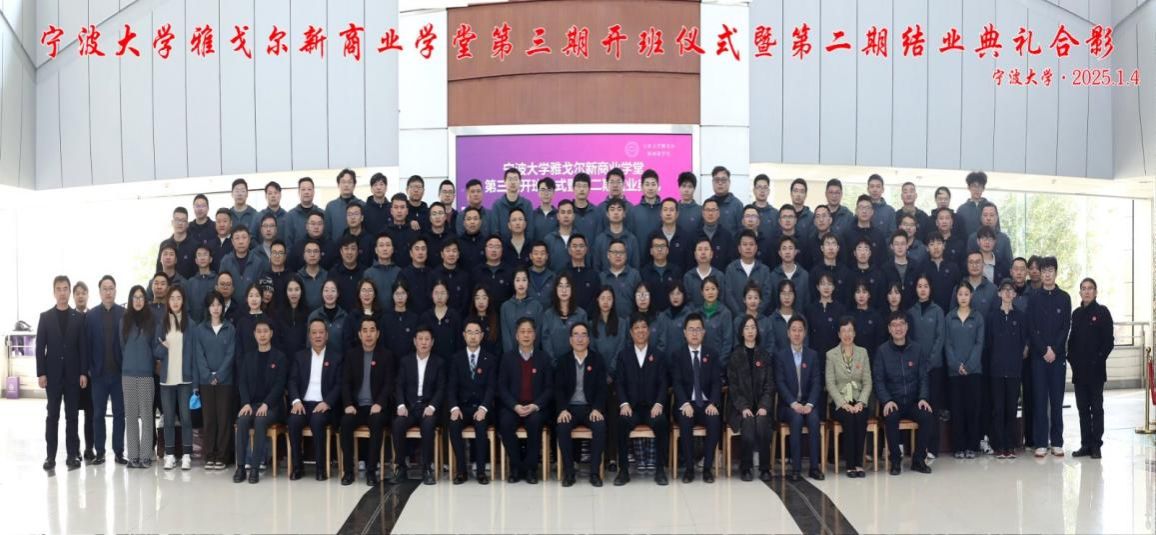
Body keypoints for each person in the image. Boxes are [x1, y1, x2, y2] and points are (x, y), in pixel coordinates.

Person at [37, 276, 88, 471]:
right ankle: (50, 456)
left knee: (72, 416)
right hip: (52, 376)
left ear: (69, 291)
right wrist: (41, 373)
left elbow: (83, 347)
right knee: (52, 416)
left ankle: (72, 455)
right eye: (58, 289)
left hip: (74, 376)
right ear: (54, 292)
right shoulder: (45, 317)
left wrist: (83, 372)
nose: (62, 292)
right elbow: (40, 347)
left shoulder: (79, 318)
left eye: (65, 288)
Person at [874, 312, 934, 475]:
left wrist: (923, 398)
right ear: (889, 329)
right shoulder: (882, 351)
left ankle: (918, 460)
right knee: (891, 417)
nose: (898, 328)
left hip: (913, 401)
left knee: (927, 416)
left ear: (907, 327)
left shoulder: (917, 349)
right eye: (894, 325)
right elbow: (878, 380)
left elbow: (923, 377)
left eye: (901, 324)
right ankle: (895, 459)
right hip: (893, 401)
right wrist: (886, 400)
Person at [614, 313, 670, 486]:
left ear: (649, 331)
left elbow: (663, 382)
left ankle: (660, 470)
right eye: (636, 328)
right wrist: (624, 404)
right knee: (621, 423)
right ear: (631, 332)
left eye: (643, 327)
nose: (640, 331)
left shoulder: (658, 355)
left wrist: (659, 404)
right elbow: (619, 382)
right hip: (631, 408)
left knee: (662, 422)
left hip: (652, 407)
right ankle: (623, 471)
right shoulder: (624, 355)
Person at [340, 318, 395, 486]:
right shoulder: (351, 355)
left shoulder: (386, 355)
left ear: (378, 334)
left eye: (372, 330)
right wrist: (348, 404)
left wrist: (379, 403)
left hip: (376, 407)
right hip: (356, 407)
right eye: (365, 330)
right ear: (359, 334)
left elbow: (389, 384)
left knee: (377, 422)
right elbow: (345, 383)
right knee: (345, 423)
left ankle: (371, 471)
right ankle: (348, 472)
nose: (368, 334)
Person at [496, 318, 553, 484]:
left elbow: (549, 388)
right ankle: (516, 466)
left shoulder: (544, 358)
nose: (526, 335)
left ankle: (531, 469)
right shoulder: (507, 358)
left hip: (535, 407)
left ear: (535, 335)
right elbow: (502, 387)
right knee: (505, 423)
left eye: (529, 332)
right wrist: (514, 406)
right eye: (522, 332)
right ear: (516, 336)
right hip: (513, 406)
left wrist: (535, 405)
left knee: (535, 423)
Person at [286, 320, 342, 481]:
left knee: (317, 422)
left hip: (324, 406)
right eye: (314, 332)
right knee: (293, 421)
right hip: (303, 404)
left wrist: (327, 402)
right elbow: (292, 381)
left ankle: (320, 468)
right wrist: (296, 401)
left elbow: (339, 384)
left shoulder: (336, 357)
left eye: (321, 332)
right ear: (309, 336)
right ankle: (298, 467)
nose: (318, 336)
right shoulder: (300, 356)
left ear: (327, 335)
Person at [554, 322, 608, 487]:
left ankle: (594, 473)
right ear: (570, 340)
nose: (580, 339)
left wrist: (597, 408)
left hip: (590, 408)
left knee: (600, 426)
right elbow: (558, 389)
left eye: (583, 335)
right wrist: (562, 409)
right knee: (562, 427)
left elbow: (602, 388)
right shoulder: (563, 361)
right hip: (569, 408)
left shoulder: (597, 359)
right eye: (576, 335)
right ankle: (569, 472)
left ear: (588, 339)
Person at [233, 319, 287, 484]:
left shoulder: (280, 357)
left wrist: (266, 404)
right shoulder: (248, 357)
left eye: (265, 331)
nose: (262, 335)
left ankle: (255, 468)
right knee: (242, 420)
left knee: (260, 419)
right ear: (254, 335)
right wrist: (246, 403)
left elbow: (280, 385)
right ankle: (241, 467)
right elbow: (242, 383)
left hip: (272, 406)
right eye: (259, 331)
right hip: (252, 404)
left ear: (271, 333)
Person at [1028, 257, 1072, 457]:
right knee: (1039, 400)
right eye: (1044, 270)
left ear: (1056, 273)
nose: (1047, 274)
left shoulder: (1064, 297)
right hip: (1039, 357)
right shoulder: (1034, 297)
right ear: (1040, 273)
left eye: (1050, 270)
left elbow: (1065, 326)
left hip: (1058, 357)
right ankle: (1040, 442)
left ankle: (1057, 441)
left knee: (1056, 400)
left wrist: (1054, 349)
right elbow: (1031, 327)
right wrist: (1043, 350)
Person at [671, 313, 723, 483]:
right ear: (684, 333)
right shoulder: (678, 355)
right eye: (691, 330)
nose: (694, 333)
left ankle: (707, 468)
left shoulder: (712, 354)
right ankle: (689, 469)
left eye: (698, 329)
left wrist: (713, 402)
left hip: (706, 403)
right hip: (686, 403)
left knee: (715, 420)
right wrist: (684, 403)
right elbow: (677, 383)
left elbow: (716, 382)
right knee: (685, 419)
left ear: (704, 332)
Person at [391, 326, 445, 486]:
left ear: (432, 342)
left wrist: (432, 407)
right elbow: (399, 385)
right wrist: (401, 405)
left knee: (428, 426)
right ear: (414, 341)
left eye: (427, 339)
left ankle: (427, 468)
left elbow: (441, 388)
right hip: (409, 407)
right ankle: (401, 467)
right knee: (398, 424)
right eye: (420, 339)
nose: (423, 342)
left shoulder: (439, 362)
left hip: (428, 407)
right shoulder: (405, 361)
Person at [447, 318, 497, 485]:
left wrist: (484, 408)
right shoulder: (456, 358)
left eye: (476, 332)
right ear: (464, 335)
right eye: (469, 332)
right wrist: (454, 408)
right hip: (462, 407)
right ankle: (462, 470)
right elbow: (451, 387)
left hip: (482, 407)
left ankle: (481, 472)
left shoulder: (490, 359)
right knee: (453, 424)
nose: (473, 336)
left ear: (482, 335)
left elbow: (491, 387)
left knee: (481, 426)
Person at [1068, 278, 1114, 459]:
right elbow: (1072, 341)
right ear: (1080, 292)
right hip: (1079, 372)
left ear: (1096, 292)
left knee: (1096, 408)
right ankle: (1085, 444)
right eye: (1084, 288)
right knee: (1082, 409)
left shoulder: (1102, 312)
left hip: (1096, 371)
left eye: (1090, 288)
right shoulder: (1076, 314)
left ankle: (1096, 445)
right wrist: (1071, 360)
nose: (1087, 291)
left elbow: (1108, 342)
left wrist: (1098, 360)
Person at [774, 316, 823, 481]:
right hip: (788, 406)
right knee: (796, 419)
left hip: (808, 404)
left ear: (805, 333)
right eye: (793, 330)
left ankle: (814, 467)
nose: (797, 333)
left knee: (814, 419)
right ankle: (795, 469)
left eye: (800, 330)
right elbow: (780, 383)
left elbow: (817, 382)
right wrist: (793, 403)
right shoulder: (780, 356)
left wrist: (810, 404)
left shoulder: (812, 355)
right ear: (788, 333)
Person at [728, 315, 776, 482]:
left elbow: (770, 385)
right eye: (747, 328)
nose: (750, 331)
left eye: (753, 327)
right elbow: (733, 387)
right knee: (748, 423)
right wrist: (743, 407)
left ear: (757, 331)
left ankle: (765, 468)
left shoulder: (764, 355)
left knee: (763, 424)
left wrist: (764, 406)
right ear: (742, 332)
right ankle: (746, 467)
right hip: (740, 408)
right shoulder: (735, 356)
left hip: (761, 406)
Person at [86, 276, 127, 466]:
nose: (108, 292)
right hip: (99, 375)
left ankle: (119, 452)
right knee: (98, 415)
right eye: (105, 288)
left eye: (111, 288)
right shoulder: (91, 315)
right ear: (100, 292)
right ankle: (100, 452)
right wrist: (88, 369)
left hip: (119, 374)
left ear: (115, 290)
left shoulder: (124, 314)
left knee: (119, 414)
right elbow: (86, 344)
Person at [986, 279, 1029, 459]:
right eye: (1004, 290)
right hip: (996, 370)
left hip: (1014, 369)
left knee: (1011, 408)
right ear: (999, 293)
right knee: (998, 408)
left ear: (1015, 294)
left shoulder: (1020, 316)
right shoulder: (992, 317)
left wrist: (1023, 352)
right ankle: (999, 445)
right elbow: (988, 343)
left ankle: (1010, 445)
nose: (1007, 293)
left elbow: (1025, 341)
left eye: (1010, 290)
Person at [194, 291, 237, 470]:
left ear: (223, 307)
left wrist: (218, 375)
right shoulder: (200, 329)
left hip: (225, 381)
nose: (216, 308)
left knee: (224, 419)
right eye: (212, 305)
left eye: (218, 304)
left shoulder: (230, 328)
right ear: (208, 308)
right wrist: (208, 376)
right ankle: (209, 455)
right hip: (206, 381)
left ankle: (222, 456)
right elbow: (199, 355)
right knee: (209, 419)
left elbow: (230, 355)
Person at [156, 286, 197, 471]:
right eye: (172, 298)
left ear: (183, 301)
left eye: (178, 298)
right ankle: (170, 455)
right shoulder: (162, 323)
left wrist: (195, 382)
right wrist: (163, 347)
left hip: (185, 379)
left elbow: (194, 355)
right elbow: (155, 349)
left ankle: (187, 455)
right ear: (168, 301)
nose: (175, 301)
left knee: (186, 418)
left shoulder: (191, 324)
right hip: (167, 380)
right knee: (168, 419)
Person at [826, 317, 872, 478]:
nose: (847, 334)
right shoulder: (831, 355)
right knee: (849, 418)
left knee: (860, 417)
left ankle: (859, 463)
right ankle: (850, 465)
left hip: (858, 399)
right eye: (844, 331)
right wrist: (843, 403)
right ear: (839, 334)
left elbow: (867, 382)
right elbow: (830, 384)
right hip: (839, 402)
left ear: (855, 333)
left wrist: (861, 402)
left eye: (850, 330)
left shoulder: (862, 353)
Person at [119, 285, 159, 469]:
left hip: (145, 374)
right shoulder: (124, 320)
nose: (138, 300)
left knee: (147, 416)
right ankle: (133, 456)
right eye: (135, 297)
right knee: (131, 416)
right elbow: (122, 346)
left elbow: (154, 346)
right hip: (128, 374)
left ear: (146, 300)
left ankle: (145, 456)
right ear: (130, 300)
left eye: (141, 297)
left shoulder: (152, 321)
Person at [908, 275, 947, 458]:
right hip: (915, 367)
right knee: (919, 407)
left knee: (933, 406)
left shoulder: (938, 311)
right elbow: (909, 340)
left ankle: (932, 447)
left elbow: (940, 338)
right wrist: (917, 364)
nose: (922, 289)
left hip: (934, 367)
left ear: (930, 289)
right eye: (919, 286)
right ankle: (918, 447)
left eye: (926, 286)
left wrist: (930, 362)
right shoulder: (911, 311)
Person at [945, 282, 985, 459]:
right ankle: (958, 446)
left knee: (972, 409)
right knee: (957, 409)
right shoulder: (949, 317)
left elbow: (979, 343)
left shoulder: (978, 317)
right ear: (956, 296)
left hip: (974, 371)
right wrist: (956, 365)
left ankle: (972, 446)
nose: (963, 297)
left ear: (971, 296)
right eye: (960, 294)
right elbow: (947, 343)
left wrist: (969, 365)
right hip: (954, 372)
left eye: (966, 294)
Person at [539, 273, 589, 362]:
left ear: (572, 289)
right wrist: (553, 362)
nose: (564, 290)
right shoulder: (548, 315)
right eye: (560, 286)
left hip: (576, 364)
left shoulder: (581, 314)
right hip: (552, 364)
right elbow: (546, 342)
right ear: (555, 289)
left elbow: (585, 341)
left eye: (567, 286)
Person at [724, 230, 773, 315]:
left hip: (758, 318)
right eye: (745, 244)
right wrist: (740, 315)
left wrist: (755, 313)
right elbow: (729, 295)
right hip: (737, 318)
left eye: (751, 244)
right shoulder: (731, 269)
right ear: (739, 248)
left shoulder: (764, 270)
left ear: (756, 248)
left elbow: (767, 295)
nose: (748, 247)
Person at [500, 268, 543, 353]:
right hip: (511, 356)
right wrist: (511, 356)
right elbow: (506, 336)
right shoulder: (505, 307)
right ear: (513, 283)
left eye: (524, 280)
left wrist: (532, 353)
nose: (521, 284)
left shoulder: (537, 306)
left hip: (532, 355)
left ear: (528, 282)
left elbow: (537, 334)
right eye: (517, 280)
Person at [804, 274, 847, 357]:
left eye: (829, 284)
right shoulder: (810, 309)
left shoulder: (840, 309)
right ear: (817, 287)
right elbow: (807, 334)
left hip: (836, 355)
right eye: (823, 284)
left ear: (833, 287)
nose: (826, 287)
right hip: (814, 354)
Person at [485, 168, 534, 239]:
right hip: (501, 245)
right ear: (504, 182)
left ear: (520, 182)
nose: (513, 182)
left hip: (523, 245)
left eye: (515, 179)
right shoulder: (497, 205)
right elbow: (494, 231)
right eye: (510, 179)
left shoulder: (527, 204)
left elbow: (529, 231)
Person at [600, 239, 643, 318]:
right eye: (614, 252)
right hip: (608, 322)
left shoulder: (634, 275)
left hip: (630, 321)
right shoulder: (602, 277)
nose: (618, 255)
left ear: (626, 255)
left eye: (621, 252)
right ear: (608, 255)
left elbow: (640, 301)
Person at [591, 286, 629, 374]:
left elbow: (622, 347)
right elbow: (592, 349)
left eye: (609, 298)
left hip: (619, 370)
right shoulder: (591, 324)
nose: (605, 302)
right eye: (602, 298)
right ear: (597, 300)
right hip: (597, 371)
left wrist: (612, 369)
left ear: (613, 301)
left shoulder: (622, 323)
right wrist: (601, 370)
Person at [422, 279, 463, 360]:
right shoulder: (425, 317)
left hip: (451, 361)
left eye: (443, 293)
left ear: (447, 295)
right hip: (430, 361)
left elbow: (459, 343)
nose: (439, 297)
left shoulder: (455, 316)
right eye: (436, 293)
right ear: (432, 295)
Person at [629, 171, 664, 264]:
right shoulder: (634, 211)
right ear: (642, 187)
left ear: (658, 186)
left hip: (662, 261)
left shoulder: (665, 210)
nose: (650, 188)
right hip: (640, 261)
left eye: (653, 184)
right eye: (647, 184)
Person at [768, 236, 811, 312]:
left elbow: (807, 303)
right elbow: (771, 304)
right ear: (779, 253)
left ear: (796, 252)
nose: (787, 252)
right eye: (784, 248)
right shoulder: (773, 276)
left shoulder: (804, 276)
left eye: (790, 248)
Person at [699, 277, 734, 362]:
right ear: (702, 292)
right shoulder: (697, 313)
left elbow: (728, 342)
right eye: (707, 289)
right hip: (700, 362)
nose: (710, 292)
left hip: (719, 362)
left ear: (718, 291)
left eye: (713, 289)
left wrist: (720, 362)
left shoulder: (725, 313)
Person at [325, 169, 365, 241]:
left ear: (354, 185)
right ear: (338, 185)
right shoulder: (331, 207)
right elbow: (327, 233)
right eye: (343, 182)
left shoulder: (362, 205)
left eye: (349, 182)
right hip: (336, 246)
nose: (346, 185)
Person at [696, 198, 735, 270]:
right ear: (703, 213)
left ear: (718, 213)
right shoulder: (694, 236)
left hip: (721, 276)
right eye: (707, 210)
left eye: (713, 210)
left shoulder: (727, 236)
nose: (710, 213)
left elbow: (730, 262)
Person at [956, 171, 990, 238]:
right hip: (966, 244)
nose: (977, 189)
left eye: (979, 186)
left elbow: (996, 229)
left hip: (987, 243)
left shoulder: (990, 207)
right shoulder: (961, 209)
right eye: (974, 186)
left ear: (983, 188)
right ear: (969, 188)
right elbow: (958, 232)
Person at [531, 177, 558, 242]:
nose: (546, 193)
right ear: (538, 192)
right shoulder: (532, 215)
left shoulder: (558, 215)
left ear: (553, 193)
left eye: (549, 190)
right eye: (543, 190)